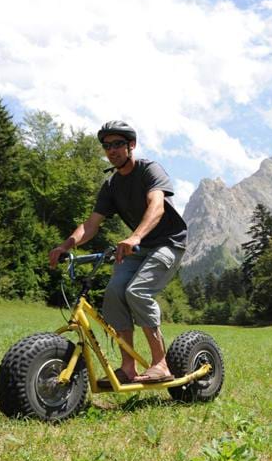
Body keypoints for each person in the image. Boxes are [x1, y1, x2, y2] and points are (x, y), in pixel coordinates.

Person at [49, 120, 187, 384]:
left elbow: (156, 206)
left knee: (137, 291)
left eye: (118, 144)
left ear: (131, 145)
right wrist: (66, 245)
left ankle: (161, 363)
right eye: (107, 146)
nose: (112, 150)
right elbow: (91, 225)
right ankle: (127, 367)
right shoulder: (111, 185)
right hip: (141, 247)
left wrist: (134, 236)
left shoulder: (149, 170)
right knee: (113, 293)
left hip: (169, 243)